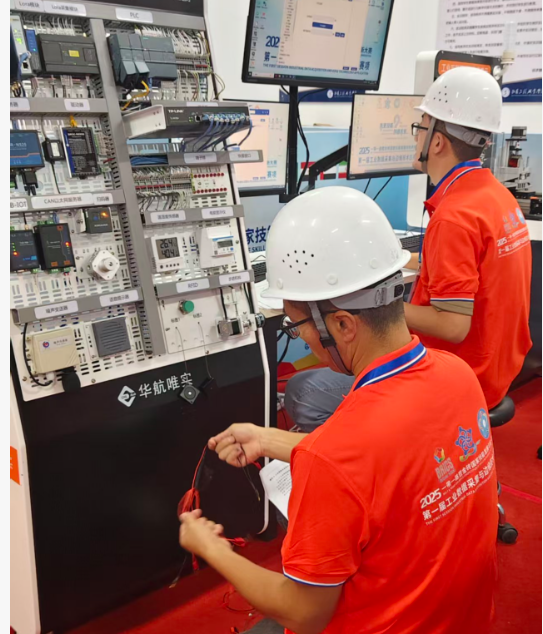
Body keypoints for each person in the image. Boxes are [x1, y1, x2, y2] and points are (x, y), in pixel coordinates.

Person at [179, 187, 498, 634]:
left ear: (343, 325)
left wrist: (212, 548)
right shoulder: (458, 376)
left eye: (297, 326)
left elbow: (304, 614)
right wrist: (268, 439)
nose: (302, 338)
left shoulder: (333, 458)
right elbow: (383, 464)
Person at [284, 67, 532, 431]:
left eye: (421, 127)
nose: (416, 137)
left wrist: (377, 302)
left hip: (458, 377)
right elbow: (468, 267)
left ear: (437, 142)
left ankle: (373, 457)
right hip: (497, 368)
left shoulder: (455, 216)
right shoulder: (495, 197)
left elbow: (453, 325)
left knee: (303, 390)